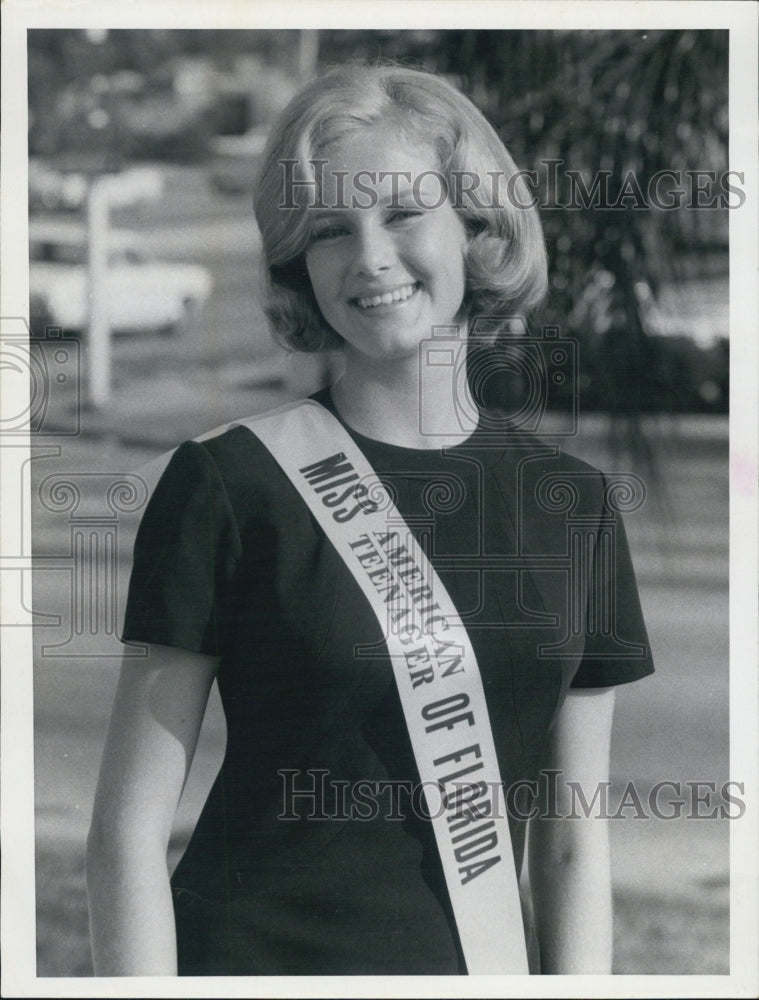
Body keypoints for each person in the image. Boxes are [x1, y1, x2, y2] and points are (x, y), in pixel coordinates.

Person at [86, 63, 654, 977]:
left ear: (475, 227)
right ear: (298, 267)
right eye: (328, 231)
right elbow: (126, 832)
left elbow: (571, 846)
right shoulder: (228, 485)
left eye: (401, 214)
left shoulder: (575, 507)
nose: (370, 257)